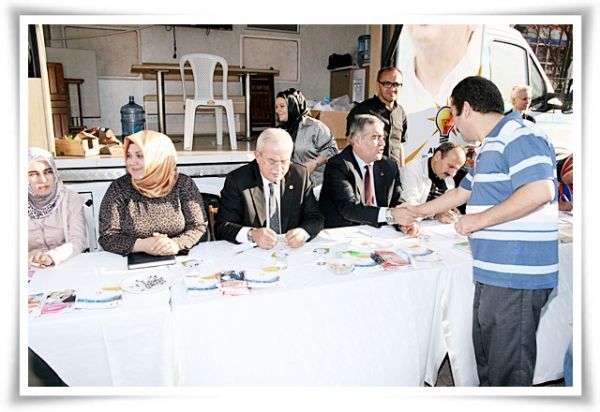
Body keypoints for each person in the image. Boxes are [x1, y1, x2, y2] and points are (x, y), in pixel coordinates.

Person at [410, 76, 558, 386]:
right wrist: (416, 211)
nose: (453, 126)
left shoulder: (520, 133)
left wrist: (477, 221)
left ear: (466, 109)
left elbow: (540, 190)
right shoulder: (490, 144)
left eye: (453, 114)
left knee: (508, 374)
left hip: (516, 275)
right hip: (493, 272)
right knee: (489, 366)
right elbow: (461, 193)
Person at [98, 130, 207, 256]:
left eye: (139, 156)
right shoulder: (119, 188)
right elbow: (107, 236)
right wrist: (142, 245)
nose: (131, 162)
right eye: (129, 155)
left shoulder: (183, 184)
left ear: (158, 158)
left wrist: (175, 244)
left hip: (180, 258)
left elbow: (198, 227)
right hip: (130, 261)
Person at [215, 128, 324, 249]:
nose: (278, 169)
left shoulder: (300, 176)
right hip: (253, 252)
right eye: (272, 161)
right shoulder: (238, 181)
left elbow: (315, 218)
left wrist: (303, 233)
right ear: (257, 156)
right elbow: (222, 227)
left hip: (289, 250)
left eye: (284, 161)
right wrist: (252, 234)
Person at [319, 114, 419, 235]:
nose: (382, 143)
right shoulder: (338, 165)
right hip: (344, 234)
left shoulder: (389, 165)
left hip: (380, 234)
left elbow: (396, 201)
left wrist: (404, 221)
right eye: (375, 137)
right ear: (357, 141)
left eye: (383, 137)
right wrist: (390, 215)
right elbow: (349, 208)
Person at [28, 147, 87, 267]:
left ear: (55, 173)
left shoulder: (71, 200)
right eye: (33, 174)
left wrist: (52, 256)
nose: (43, 180)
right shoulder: (12, 206)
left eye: (48, 172)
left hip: (65, 266)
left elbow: (78, 241)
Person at [345, 67, 407, 167]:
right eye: (387, 84)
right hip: (370, 172)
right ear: (378, 85)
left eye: (396, 84)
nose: (392, 88)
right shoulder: (362, 110)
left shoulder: (400, 112)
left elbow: (399, 145)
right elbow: (350, 144)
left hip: (394, 172)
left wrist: (403, 171)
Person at [275, 88, 338, 186]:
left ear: (293, 106)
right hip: (290, 184)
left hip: (316, 184)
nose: (277, 110)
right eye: (276, 107)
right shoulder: (279, 131)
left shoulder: (315, 127)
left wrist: (314, 163)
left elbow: (331, 150)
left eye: (282, 106)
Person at [400, 141, 467, 223]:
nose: (452, 174)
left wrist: (451, 212)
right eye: (450, 166)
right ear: (438, 156)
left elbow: (447, 207)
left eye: (456, 170)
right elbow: (411, 206)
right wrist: (435, 214)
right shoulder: (412, 169)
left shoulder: (449, 179)